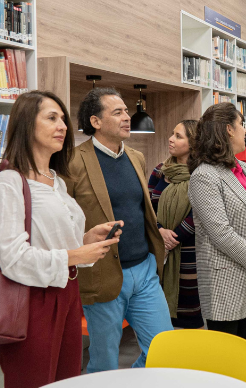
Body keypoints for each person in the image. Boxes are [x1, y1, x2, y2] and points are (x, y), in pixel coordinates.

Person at [0, 91, 121, 388]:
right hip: (31, 300)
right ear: (26, 125)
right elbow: (13, 257)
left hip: (67, 293)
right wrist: (75, 256)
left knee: (66, 380)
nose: (63, 126)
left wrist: (84, 240)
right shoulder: (9, 183)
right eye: (51, 118)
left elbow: (50, 241)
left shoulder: (56, 180)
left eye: (63, 119)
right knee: (33, 381)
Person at [66, 87, 173, 373]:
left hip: (145, 270)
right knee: (104, 364)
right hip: (103, 275)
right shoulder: (72, 162)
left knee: (163, 350)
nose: (127, 117)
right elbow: (63, 222)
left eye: (126, 111)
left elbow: (140, 210)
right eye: (118, 112)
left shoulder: (136, 157)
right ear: (95, 122)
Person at [188, 103, 246, 376]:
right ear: (228, 130)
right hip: (225, 284)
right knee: (226, 367)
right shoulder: (203, 176)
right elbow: (221, 234)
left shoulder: (244, 168)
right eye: (241, 126)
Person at [148, 120, 203, 329]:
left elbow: (200, 213)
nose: (171, 139)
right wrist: (160, 231)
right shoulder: (161, 170)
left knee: (189, 311)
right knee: (159, 313)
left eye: (178, 136)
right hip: (159, 248)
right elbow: (147, 204)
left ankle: (190, 359)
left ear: (194, 143)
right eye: (172, 134)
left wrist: (174, 238)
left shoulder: (202, 173)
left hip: (190, 251)